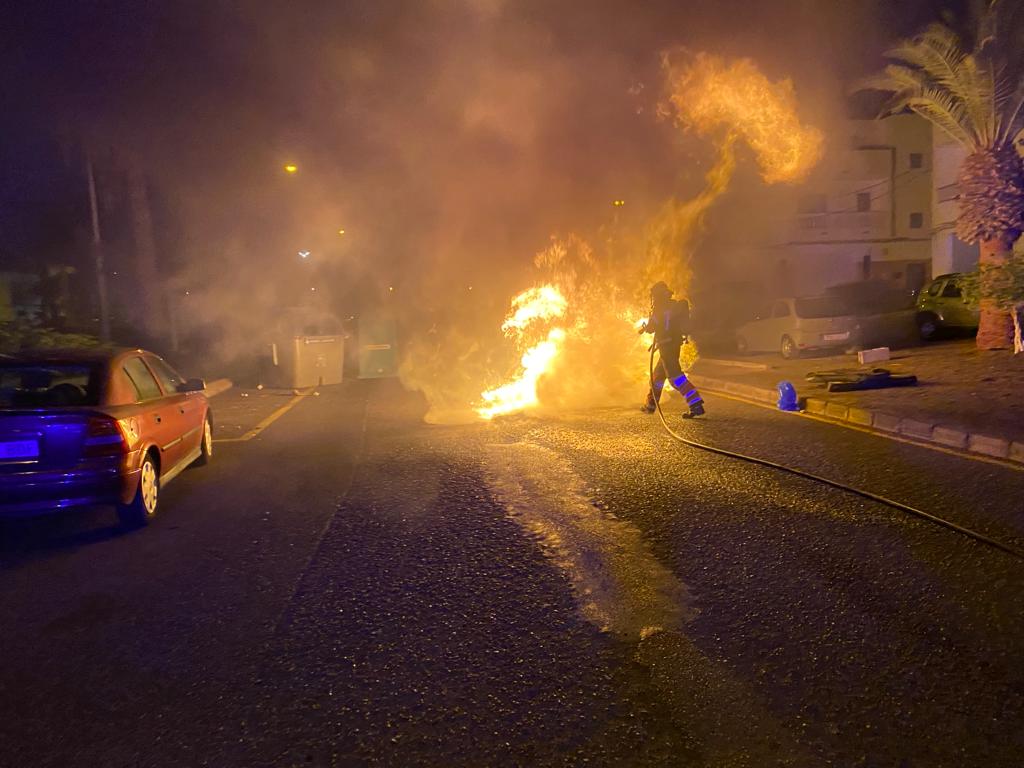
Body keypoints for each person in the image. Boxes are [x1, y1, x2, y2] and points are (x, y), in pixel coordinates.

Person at [639, 281, 705, 418]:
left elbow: (652, 327)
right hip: (672, 345)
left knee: (676, 378)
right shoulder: (674, 306)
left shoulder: (660, 308)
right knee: (657, 376)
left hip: (666, 347)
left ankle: (696, 403)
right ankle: (651, 405)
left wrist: (646, 327)